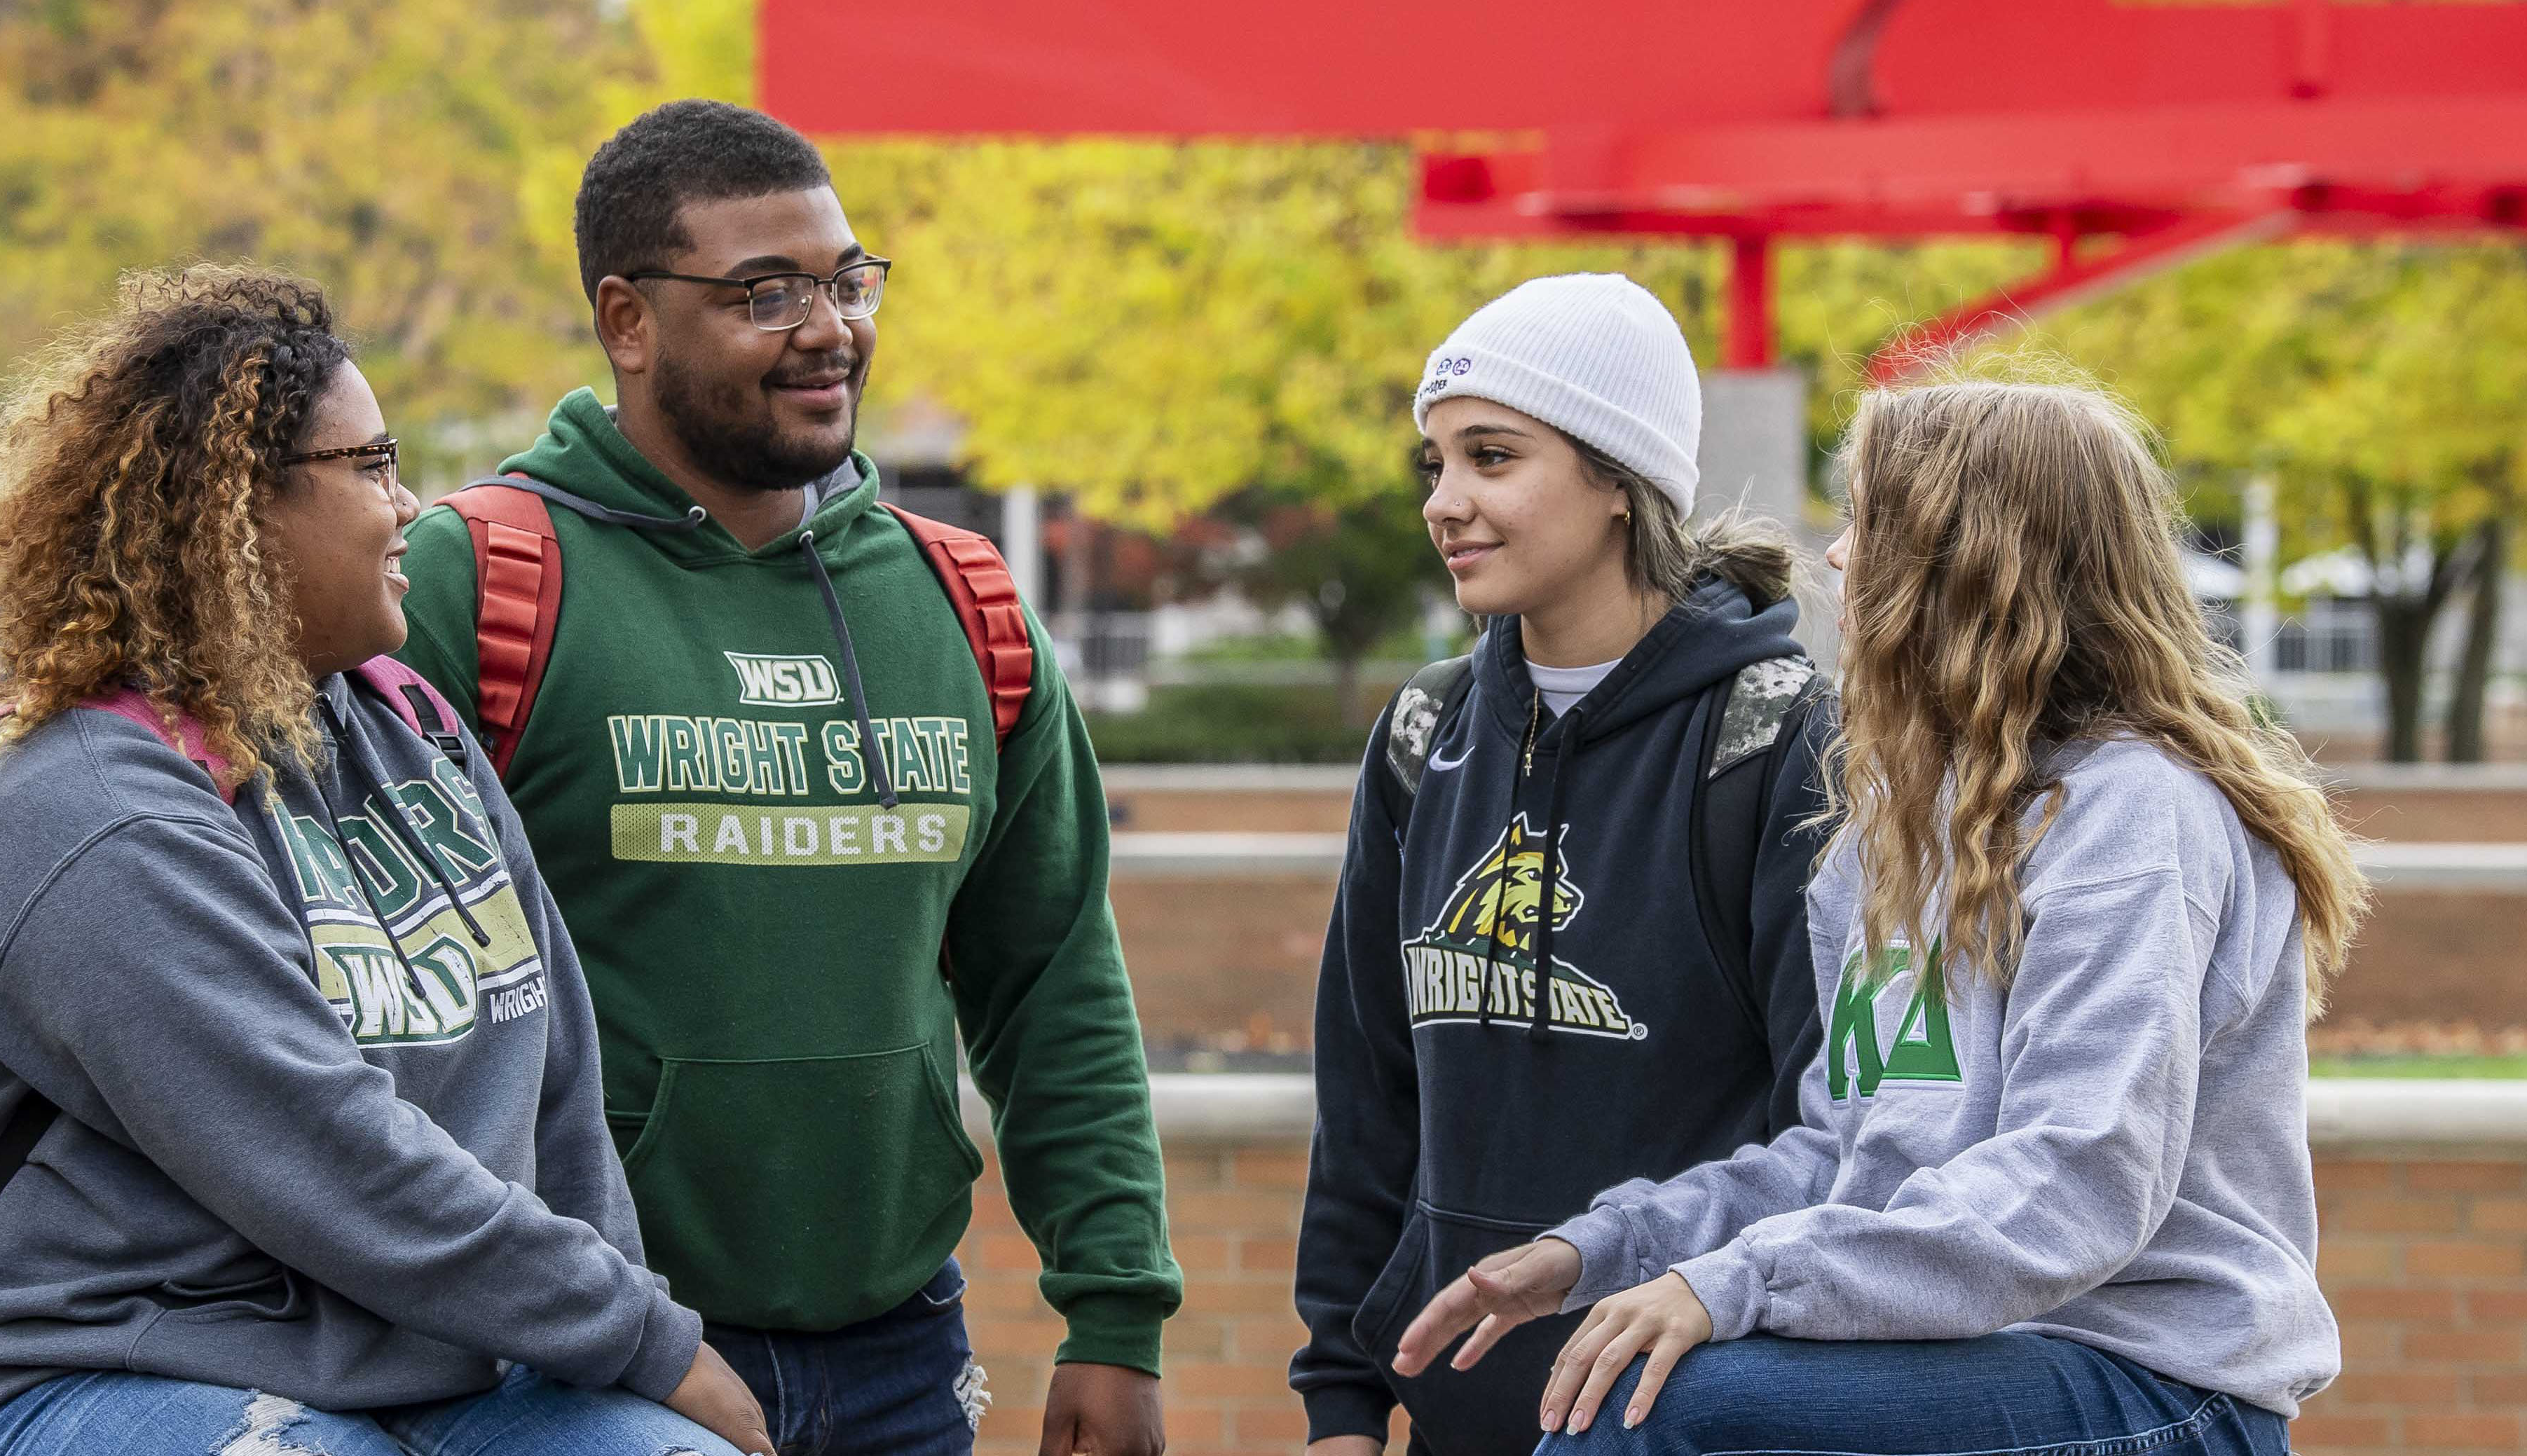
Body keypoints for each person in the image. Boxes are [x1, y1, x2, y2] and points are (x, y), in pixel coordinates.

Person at [0, 266, 772, 1456]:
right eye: (374, 465)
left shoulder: (410, 727)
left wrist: (618, 1354)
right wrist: (645, 1340)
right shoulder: (82, 805)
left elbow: (558, 1081)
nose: (413, 507)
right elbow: (327, 1150)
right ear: (231, 507)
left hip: (432, 1362)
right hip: (100, 1365)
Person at [392, 100, 1177, 1456]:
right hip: (577, 1369)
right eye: (766, 292)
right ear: (627, 321)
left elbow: (1053, 981)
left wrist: (1115, 1311)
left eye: (845, 278)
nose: (831, 327)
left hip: (902, 1354)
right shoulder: (473, 585)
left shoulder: (965, 602)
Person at [1393, 376, 2369, 1455]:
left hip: (2157, 1380)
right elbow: (1840, 1156)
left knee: (1661, 1416)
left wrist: (1737, 1284)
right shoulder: (1890, 828)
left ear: (1978, 559)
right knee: (1614, 1382)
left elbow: (2078, 1180)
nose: (1842, 555)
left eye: (1870, 521)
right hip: (1976, 1351)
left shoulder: (2135, 813)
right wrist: (1604, 1249)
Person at [1292, 275, 1834, 1456]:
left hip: (1680, 1421)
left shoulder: (1776, 738)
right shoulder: (1424, 731)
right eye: (1433, 463)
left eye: (1492, 456)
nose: (1446, 502)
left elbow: (1834, 1125)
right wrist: (1343, 1398)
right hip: (1454, 1424)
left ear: (1618, 484)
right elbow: (1368, 1100)